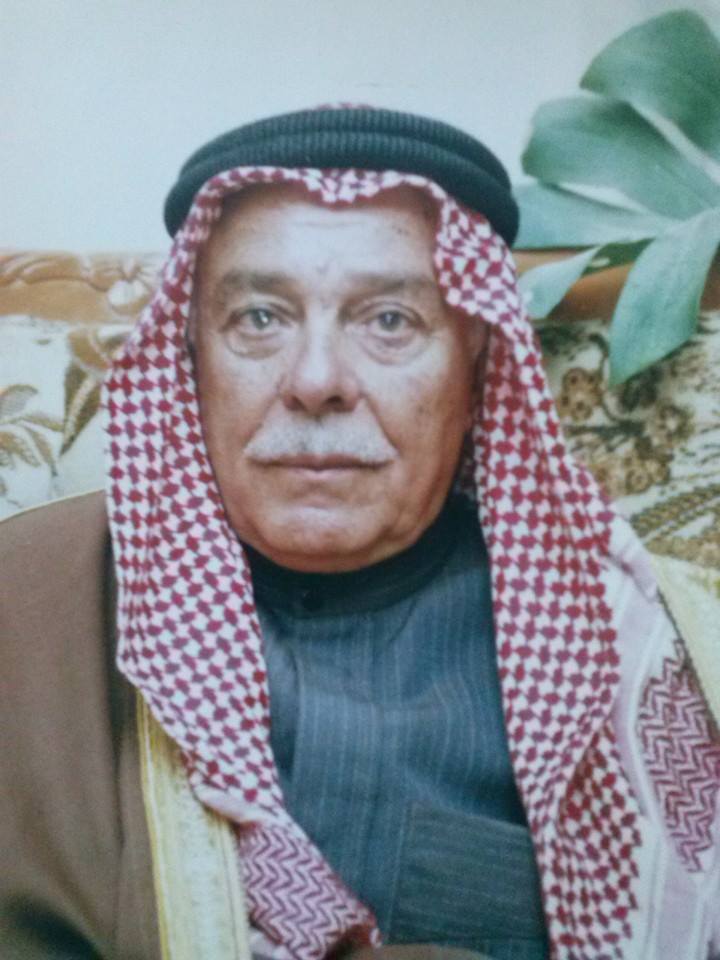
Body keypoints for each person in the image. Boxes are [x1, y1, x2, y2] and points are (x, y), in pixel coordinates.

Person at [1, 107, 719, 960]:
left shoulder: (643, 647)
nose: (316, 381)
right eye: (259, 318)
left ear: (476, 365)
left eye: (389, 322)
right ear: (190, 358)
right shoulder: (27, 605)